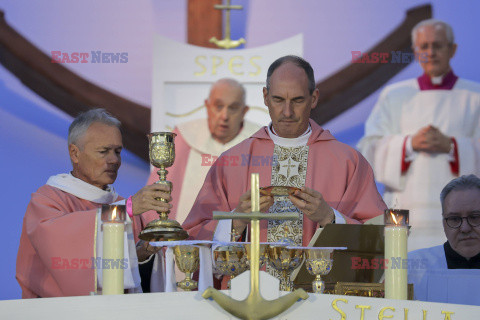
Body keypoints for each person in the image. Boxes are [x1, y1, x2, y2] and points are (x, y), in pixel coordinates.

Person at [183, 56, 387, 285]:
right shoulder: (232, 161)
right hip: (246, 301)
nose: (287, 112)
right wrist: (235, 221)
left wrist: (330, 219)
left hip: (319, 302)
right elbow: (190, 241)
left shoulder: (348, 162)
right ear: (265, 97)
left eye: (298, 100)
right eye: (278, 100)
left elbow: (380, 241)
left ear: (314, 98)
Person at [16, 109, 170, 298]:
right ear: (75, 153)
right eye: (103, 151)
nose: (114, 160)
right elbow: (62, 253)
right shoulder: (48, 201)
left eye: (118, 151)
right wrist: (125, 209)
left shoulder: (123, 205)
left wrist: (140, 255)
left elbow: (130, 282)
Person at [357, 19, 480, 251]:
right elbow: (367, 151)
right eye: (424, 47)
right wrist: (408, 145)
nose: (430, 52)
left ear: (452, 49)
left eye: (438, 45)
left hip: (465, 220)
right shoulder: (394, 95)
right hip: (407, 216)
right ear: (415, 52)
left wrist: (452, 146)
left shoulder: (475, 96)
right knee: (408, 279)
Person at [135, 78, 260, 234]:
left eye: (233, 108)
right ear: (207, 106)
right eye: (218, 106)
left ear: (244, 111)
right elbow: (157, 194)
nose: (224, 115)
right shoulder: (185, 136)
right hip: (183, 242)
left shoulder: (256, 143)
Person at [408, 175, 480, 304]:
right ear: (443, 223)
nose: (465, 228)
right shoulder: (411, 268)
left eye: (475, 217)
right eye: (454, 219)